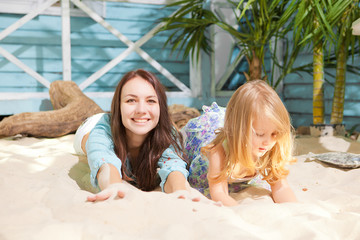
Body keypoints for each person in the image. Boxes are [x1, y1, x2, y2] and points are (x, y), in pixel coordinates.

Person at [73, 69, 204, 202]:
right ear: (118, 106)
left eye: (151, 101)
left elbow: (173, 166)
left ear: (161, 106)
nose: (141, 110)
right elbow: (104, 159)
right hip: (93, 125)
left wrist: (181, 191)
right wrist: (113, 185)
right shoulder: (102, 131)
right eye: (131, 100)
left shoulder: (167, 133)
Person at [182, 80, 298, 206]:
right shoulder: (218, 152)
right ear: (239, 130)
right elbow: (219, 194)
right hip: (205, 136)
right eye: (259, 134)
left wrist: (295, 209)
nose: (268, 142)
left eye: (274, 134)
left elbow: (281, 187)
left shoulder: (269, 147)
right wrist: (241, 212)